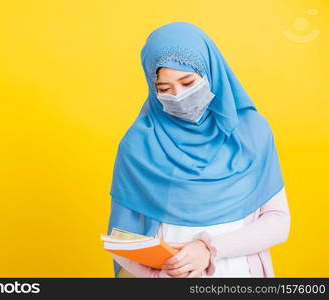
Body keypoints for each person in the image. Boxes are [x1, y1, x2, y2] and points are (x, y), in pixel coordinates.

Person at [106, 21, 290, 278]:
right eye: (164, 88)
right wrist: (158, 275)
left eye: (188, 82)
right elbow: (121, 240)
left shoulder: (252, 132)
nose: (178, 96)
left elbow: (278, 222)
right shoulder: (137, 145)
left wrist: (209, 248)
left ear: (210, 72)